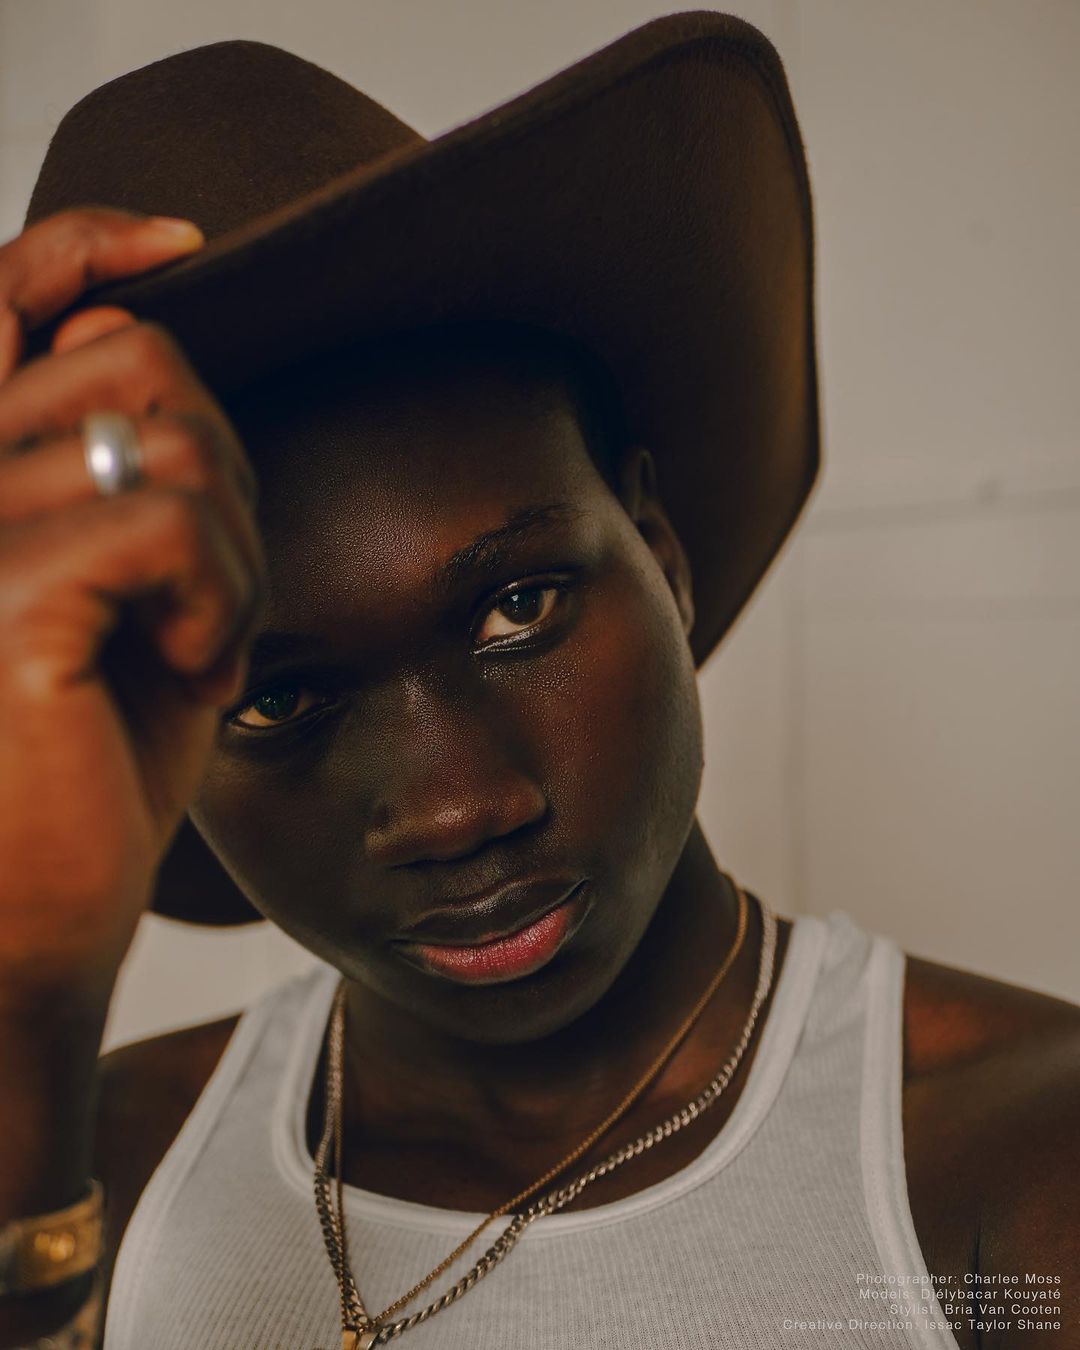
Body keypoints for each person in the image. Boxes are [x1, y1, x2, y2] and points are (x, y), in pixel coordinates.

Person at [0, 13, 1077, 1350]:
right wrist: (25, 1014)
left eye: (519, 606)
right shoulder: (93, 1161)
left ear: (659, 551)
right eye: (275, 699)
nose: (456, 809)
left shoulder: (1010, 1166)